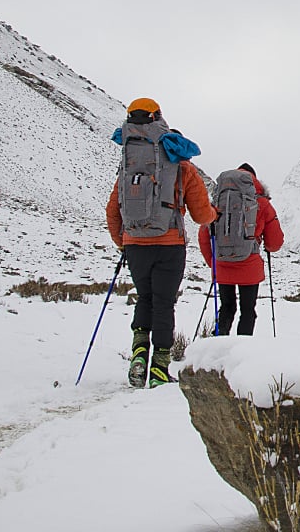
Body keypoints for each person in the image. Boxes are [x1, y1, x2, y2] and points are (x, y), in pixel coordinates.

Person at [106, 98, 217, 388]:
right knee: (164, 304)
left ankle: (138, 355)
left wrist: (123, 241)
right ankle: (159, 367)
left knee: (145, 298)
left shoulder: (128, 161)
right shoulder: (180, 165)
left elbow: (113, 207)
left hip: (135, 244)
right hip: (169, 244)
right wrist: (214, 215)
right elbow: (202, 214)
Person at [198, 163, 284, 336]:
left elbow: (204, 234)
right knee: (248, 311)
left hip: (223, 263)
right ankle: (241, 352)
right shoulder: (262, 203)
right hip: (249, 265)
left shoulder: (218, 202)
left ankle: (219, 345)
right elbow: (274, 243)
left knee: (227, 307)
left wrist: (213, 263)